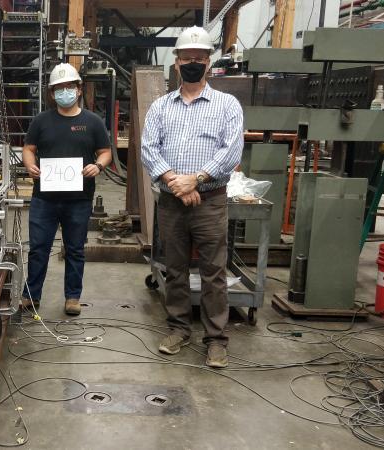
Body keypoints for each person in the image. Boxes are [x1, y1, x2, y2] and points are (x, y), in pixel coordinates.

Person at [140, 26, 243, 368]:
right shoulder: (160, 107)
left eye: (199, 58)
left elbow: (231, 151)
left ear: (209, 62)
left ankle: (216, 339)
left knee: (214, 271)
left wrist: (196, 180)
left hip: (210, 201)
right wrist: (175, 182)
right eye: (187, 58)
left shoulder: (227, 105)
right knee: (175, 268)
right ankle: (179, 329)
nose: (193, 63)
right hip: (172, 201)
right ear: (176, 63)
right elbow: (148, 148)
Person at [22, 63, 112, 316]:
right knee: (39, 248)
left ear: (79, 89)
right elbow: (28, 148)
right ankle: (31, 295)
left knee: (74, 249)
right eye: (59, 89)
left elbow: (105, 152)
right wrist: (30, 166)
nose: (64, 92)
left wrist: (98, 166)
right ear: (51, 94)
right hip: (44, 199)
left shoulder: (92, 122)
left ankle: (73, 297)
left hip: (79, 200)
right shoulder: (41, 121)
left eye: (69, 87)